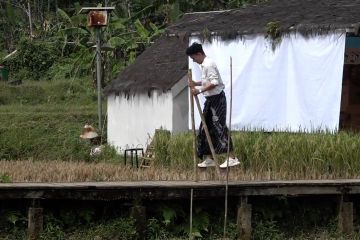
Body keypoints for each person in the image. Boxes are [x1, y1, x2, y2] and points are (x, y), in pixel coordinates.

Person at [186, 42, 240, 168]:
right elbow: (208, 81)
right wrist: (196, 83)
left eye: (194, 58)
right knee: (205, 127)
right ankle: (209, 157)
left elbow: (215, 82)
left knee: (219, 127)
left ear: (199, 54)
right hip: (210, 100)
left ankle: (232, 157)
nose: (194, 61)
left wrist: (199, 90)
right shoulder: (204, 65)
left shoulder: (209, 64)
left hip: (217, 100)